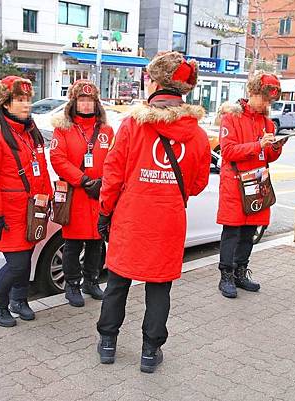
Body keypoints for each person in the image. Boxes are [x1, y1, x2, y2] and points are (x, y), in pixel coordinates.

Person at [95, 51, 211, 373]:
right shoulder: (198, 135)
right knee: (159, 287)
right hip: (169, 220)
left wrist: (105, 212)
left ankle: (107, 343)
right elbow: (199, 183)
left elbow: (113, 174)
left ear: (155, 81)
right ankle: (150, 351)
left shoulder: (133, 125)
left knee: (118, 282)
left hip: (130, 217)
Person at [0, 76, 53, 327]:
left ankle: (19, 300)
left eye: (28, 99)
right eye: (19, 100)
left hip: (32, 211)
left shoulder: (30, 133)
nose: (26, 104)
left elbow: (40, 169)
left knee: (26, 258)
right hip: (10, 214)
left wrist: (48, 199)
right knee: (17, 265)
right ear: (5, 103)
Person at [216, 72, 284, 299]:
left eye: (270, 101)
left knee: (249, 230)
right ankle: (225, 275)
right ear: (253, 92)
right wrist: (257, 145)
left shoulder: (266, 122)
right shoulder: (231, 117)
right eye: (264, 99)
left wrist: (275, 146)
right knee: (232, 230)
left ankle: (240, 272)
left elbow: (269, 156)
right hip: (235, 182)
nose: (267, 104)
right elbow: (227, 152)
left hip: (257, 181)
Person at [49, 80, 115, 307]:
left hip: (99, 195)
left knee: (96, 243)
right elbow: (58, 159)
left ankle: (92, 281)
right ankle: (72, 284)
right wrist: (85, 180)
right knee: (73, 244)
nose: (86, 105)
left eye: (90, 101)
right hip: (77, 195)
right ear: (74, 103)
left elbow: (115, 161)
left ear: (97, 104)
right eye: (82, 100)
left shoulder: (107, 131)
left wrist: (104, 182)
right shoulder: (63, 129)